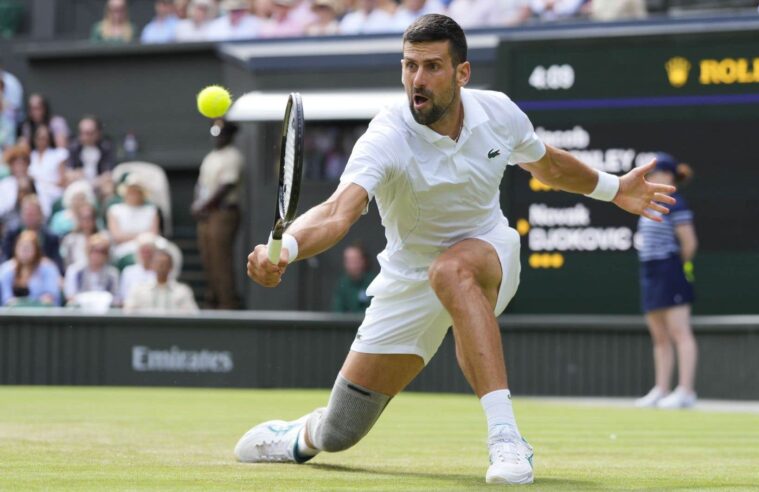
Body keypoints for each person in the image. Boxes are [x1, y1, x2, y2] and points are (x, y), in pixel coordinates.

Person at [237, 14, 675, 485]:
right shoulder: (387, 135)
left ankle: (507, 439)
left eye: (431, 67)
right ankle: (298, 436)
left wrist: (613, 188)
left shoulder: (499, 113)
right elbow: (338, 211)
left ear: (462, 74)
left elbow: (548, 166)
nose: (417, 81)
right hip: (407, 280)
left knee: (453, 271)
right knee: (341, 431)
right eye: (409, 67)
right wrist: (290, 247)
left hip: (486, 252)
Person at [634, 153, 698, 410]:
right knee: (660, 337)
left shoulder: (676, 203)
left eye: (653, 173)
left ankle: (685, 391)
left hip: (670, 270)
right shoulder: (647, 203)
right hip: (649, 272)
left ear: (668, 176)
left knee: (680, 333)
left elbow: (690, 243)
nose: (648, 178)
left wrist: (675, 267)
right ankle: (661, 389)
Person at [191, 119, 243, 309]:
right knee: (208, 260)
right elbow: (201, 184)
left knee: (221, 261)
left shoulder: (232, 156)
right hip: (207, 214)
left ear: (229, 135)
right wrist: (198, 203)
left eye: (221, 134)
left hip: (222, 212)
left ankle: (228, 304)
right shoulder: (211, 156)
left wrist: (204, 205)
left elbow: (227, 185)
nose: (218, 138)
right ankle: (212, 301)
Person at [123, 240, 198, 313]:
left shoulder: (182, 291)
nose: (161, 267)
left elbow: (192, 315)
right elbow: (128, 313)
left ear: (171, 267)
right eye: (158, 263)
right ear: (152, 265)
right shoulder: (138, 289)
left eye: (165, 264)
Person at [107, 174, 161, 262]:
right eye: (131, 191)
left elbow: (153, 233)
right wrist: (141, 236)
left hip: (150, 245)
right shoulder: (114, 210)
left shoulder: (151, 210)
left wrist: (132, 236)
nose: (134, 194)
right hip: (124, 248)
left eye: (137, 191)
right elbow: (117, 236)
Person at [0, 230, 61, 306]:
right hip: (10, 316)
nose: (24, 251)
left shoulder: (48, 268)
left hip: (41, 315)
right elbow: (5, 298)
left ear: (36, 250)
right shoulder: (6, 269)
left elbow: (51, 296)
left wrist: (33, 305)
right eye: (21, 247)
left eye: (28, 248)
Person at [2, 195, 62, 272]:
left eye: (33, 214)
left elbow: (57, 263)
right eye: (27, 214)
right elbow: (5, 258)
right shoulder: (12, 234)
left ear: (40, 215)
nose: (30, 217)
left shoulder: (50, 237)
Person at [63, 232, 120, 305]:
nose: (97, 255)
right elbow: (70, 296)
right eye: (94, 250)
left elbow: (116, 298)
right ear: (88, 251)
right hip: (80, 312)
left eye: (102, 252)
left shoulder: (112, 274)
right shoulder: (75, 271)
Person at [66, 116, 116, 194]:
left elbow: (108, 173)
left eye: (89, 133)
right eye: (82, 133)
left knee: (108, 187)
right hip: (79, 183)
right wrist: (76, 174)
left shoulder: (105, 147)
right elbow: (69, 171)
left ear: (98, 133)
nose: (85, 137)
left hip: (99, 184)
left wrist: (94, 183)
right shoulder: (74, 147)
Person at [28, 125, 68, 218]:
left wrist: (45, 183)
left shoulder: (58, 154)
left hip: (53, 191)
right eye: (39, 138)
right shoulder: (31, 155)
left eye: (45, 138)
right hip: (34, 190)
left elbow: (62, 180)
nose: (42, 141)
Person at [331, 242, 375, 312]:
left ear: (363, 260)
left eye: (355, 260)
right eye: (348, 261)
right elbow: (337, 312)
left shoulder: (373, 282)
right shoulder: (342, 283)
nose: (351, 265)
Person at [59, 202, 101, 270]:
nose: (87, 221)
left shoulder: (103, 238)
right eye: (84, 218)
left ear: (94, 220)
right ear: (79, 220)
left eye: (89, 218)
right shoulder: (70, 240)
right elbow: (66, 262)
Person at [118, 232, 157, 304]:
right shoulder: (128, 271)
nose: (146, 255)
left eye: (148, 251)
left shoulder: (160, 272)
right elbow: (123, 296)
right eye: (143, 251)